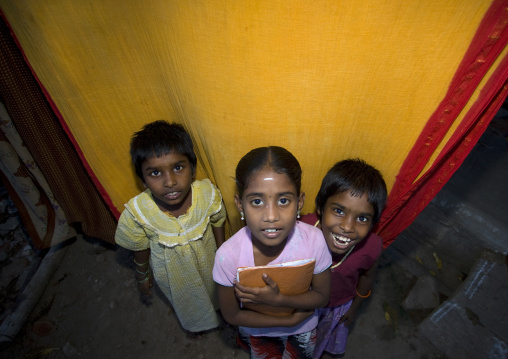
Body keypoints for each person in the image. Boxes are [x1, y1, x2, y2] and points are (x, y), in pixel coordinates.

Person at [213, 146, 332, 359]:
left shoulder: (314, 242)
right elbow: (232, 314)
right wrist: (287, 321)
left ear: (300, 203)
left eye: (283, 200)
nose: (271, 216)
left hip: (303, 329)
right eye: (257, 201)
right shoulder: (227, 257)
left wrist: (280, 300)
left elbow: (322, 296)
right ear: (240, 205)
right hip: (259, 332)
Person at [115, 120, 226, 339]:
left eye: (178, 167)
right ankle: (196, 325)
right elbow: (140, 247)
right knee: (188, 302)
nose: (170, 182)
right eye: (155, 173)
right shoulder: (139, 212)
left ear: (192, 168)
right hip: (175, 276)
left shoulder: (206, 194)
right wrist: (143, 275)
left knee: (217, 292)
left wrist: (223, 254)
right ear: (143, 179)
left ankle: (222, 314)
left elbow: (218, 220)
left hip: (209, 263)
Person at [299, 158, 387, 358]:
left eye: (362, 218)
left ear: (373, 222)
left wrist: (355, 307)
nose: (348, 227)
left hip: (334, 308)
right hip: (299, 301)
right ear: (320, 207)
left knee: (316, 342)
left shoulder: (371, 248)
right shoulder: (301, 229)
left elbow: (367, 278)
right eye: (338, 211)